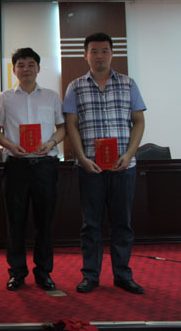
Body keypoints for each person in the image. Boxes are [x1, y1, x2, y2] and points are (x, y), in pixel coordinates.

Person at [64, 32, 146, 295]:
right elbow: (71, 125)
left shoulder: (128, 84)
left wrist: (129, 154)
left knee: (122, 223)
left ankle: (123, 275)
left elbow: (139, 121)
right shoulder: (75, 86)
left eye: (104, 51)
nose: (99, 56)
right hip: (91, 168)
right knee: (91, 224)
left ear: (112, 53)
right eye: (94, 51)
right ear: (85, 55)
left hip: (124, 166)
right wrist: (82, 158)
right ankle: (90, 276)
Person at [0, 48, 65, 291]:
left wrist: (51, 143)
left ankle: (44, 272)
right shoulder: (4, 97)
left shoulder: (52, 96)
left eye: (31, 64)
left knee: (45, 222)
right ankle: (17, 272)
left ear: (38, 68)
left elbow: (62, 127)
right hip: (17, 166)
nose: (26, 69)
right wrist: (10, 145)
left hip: (45, 165)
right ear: (14, 69)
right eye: (21, 65)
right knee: (15, 222)